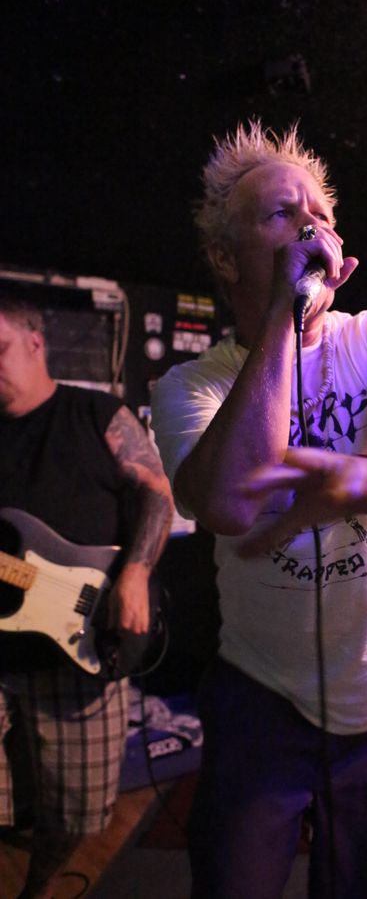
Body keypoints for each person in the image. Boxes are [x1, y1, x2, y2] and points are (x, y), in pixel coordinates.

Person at [151, 120, 367, 899]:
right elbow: (227, 501)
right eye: (280, 214)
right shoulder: (190, 386)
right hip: (262, 699)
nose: (308, 226)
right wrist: (282, 320)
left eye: (318, 215)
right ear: (226, 257)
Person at [0, 291, 174, 899]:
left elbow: (157, 493)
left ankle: (40, 887)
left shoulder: (97, 414)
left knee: (77, 813)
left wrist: (135, 574)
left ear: (35, 342)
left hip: (82, 642)